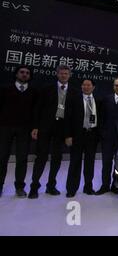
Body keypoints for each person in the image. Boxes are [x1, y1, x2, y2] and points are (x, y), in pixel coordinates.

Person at [29, 65, 78, 199]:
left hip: (62, 128)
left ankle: (51, 186)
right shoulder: (46, 89)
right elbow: (38, 108)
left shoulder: (74, 91)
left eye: (66, 73)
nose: (64, 75)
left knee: (57, 158)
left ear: (70, 75)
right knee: (41, 157)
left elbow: (74, 115)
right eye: (61, 73)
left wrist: (70, 134)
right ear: (57, 74)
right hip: (45, 127)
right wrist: (35, 127)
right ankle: (34, 187)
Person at [0, 66, 37, 198]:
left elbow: (35, 112)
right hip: (5, 128)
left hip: (24, 129)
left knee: (22, 159)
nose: (24, 74)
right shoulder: (5, 89)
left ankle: (20, 187)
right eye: (22, 72)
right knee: (2, 158)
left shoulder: (33, 91)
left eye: (27, 73)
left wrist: (34, 127)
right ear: (16, 74)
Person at [64, 79, 101, 197]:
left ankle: (88, 187)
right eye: (84, 85)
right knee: (75, 162)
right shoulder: (74, 99)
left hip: (92, 135)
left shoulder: (98, 100)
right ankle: (71, 189)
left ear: (93, 87)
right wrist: (68, 135)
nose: (86, 87)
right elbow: (67, 118)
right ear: (81, 87)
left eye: (88, 85)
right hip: (77, 135)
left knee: (90, 163)